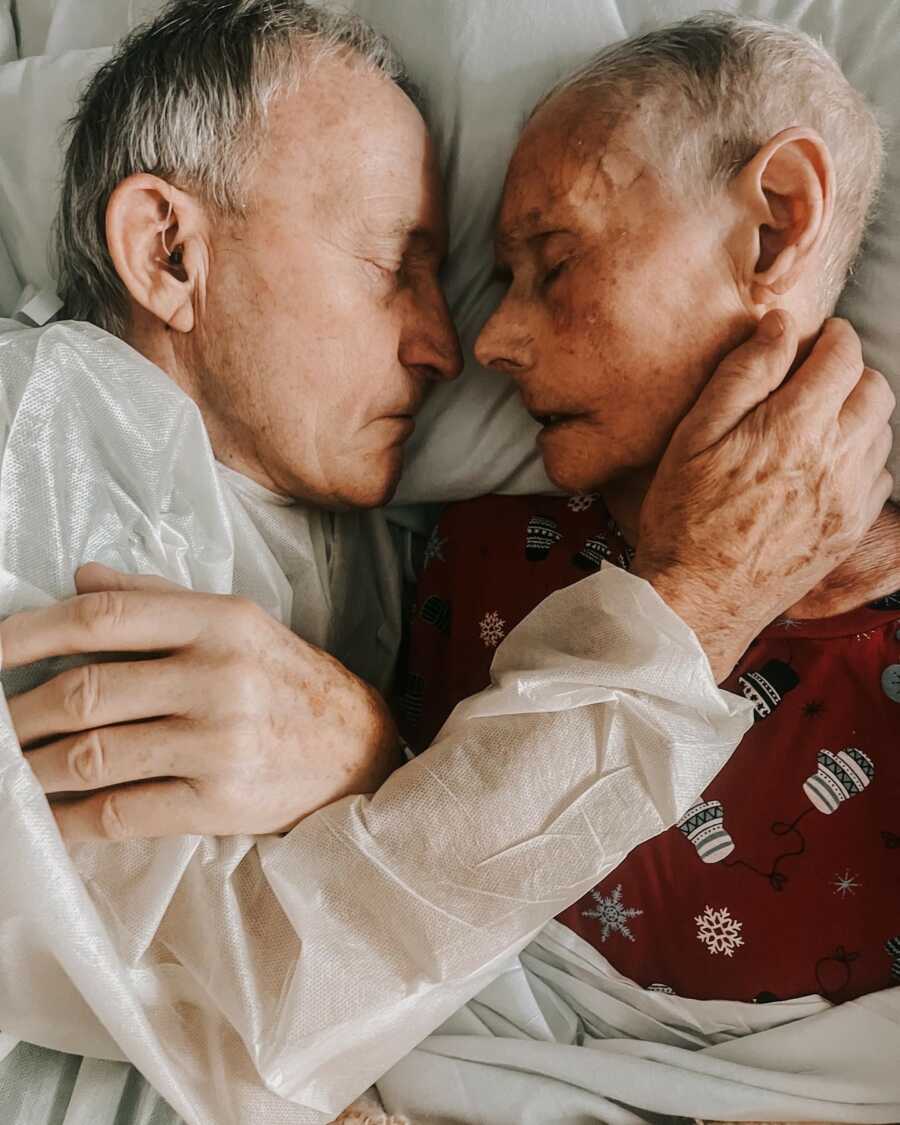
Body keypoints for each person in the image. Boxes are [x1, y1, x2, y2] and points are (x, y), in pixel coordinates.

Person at [0, 3, 893, 1123]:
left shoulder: (379, 540)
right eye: (391, 265)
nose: (455, 343)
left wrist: (382, 762)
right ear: (170, 252)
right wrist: (693, 610)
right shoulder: (40, 431)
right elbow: (233, 1019)